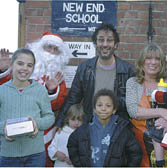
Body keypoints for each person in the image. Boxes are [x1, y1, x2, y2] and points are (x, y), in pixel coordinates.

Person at [0, 32, 71, 166]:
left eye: (56, 50)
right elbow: (6, 91)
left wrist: (50, 91)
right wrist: (3, 70)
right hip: (10, 145)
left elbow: (55, 107)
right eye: (48, 47)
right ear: (40, 48)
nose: (51, 52)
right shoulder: (19, 72)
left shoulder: (57, 76)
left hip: (41, 137)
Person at [55, 24, 135, 128]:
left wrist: (113, 103)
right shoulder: (84, 68)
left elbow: (132, 102)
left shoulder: (128, 70)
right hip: (90, 125)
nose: (105, 44)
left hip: (118, 127)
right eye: (101, 40)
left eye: (109, 40)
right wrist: (59, 123)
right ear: (95, 43)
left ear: (116, 45)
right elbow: (72, 99)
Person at [0, 48, 55, 167]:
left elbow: (49, 117)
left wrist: (36, 123)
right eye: (20, 63)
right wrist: (4, 127)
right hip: (8, 155)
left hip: (35, 155)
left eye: (29, 65)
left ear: (33, 69)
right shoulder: (1, 90)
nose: (24, 68)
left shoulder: (40, 90)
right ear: (12, 64)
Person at [67, 89, 142, 167]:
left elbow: (135, 153)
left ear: (114, 110)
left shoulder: (122, 130)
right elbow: (72, 144)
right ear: (94, 109)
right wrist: (79, 165)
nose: (103, 109)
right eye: (99, 105)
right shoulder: (85, 128)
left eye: (108, 105)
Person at [126, 43, 167, 167]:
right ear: (142, 62)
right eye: (149, 58)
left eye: (157, 59)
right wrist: (162, 112)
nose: (153, 62)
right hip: (139, 146)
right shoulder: (133, 83)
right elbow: (133, 111)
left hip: (165, 148)